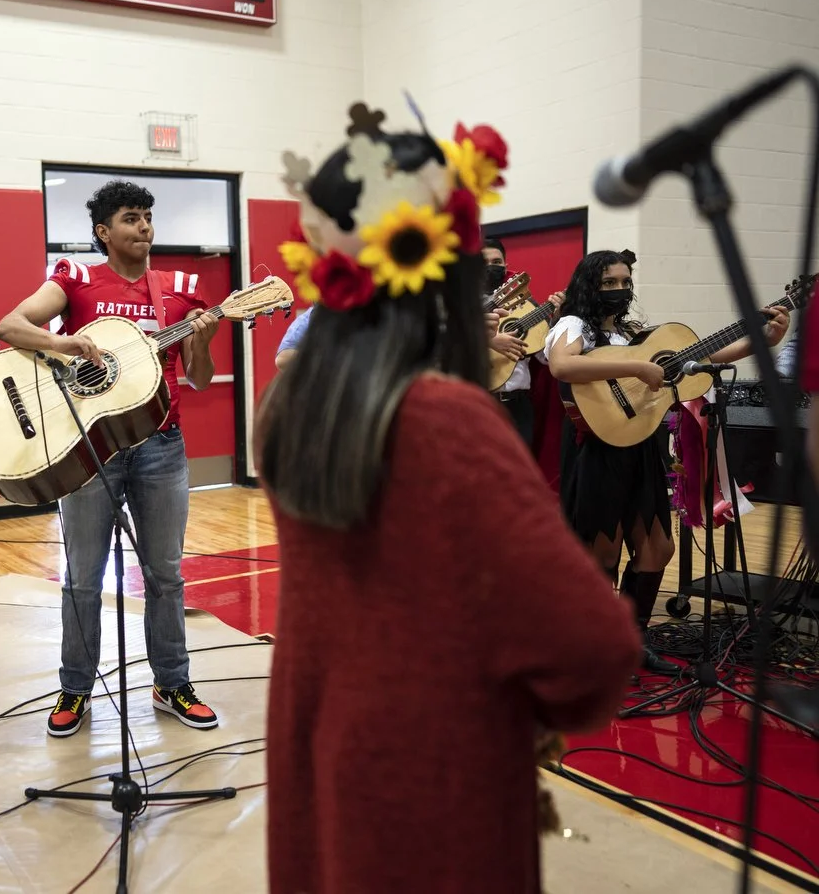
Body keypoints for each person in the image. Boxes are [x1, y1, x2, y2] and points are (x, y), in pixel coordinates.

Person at [260, 105, 640, 894]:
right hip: (431, 790)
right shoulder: (441, 419)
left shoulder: (292, 412)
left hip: (328, 761)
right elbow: (592, 652)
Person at [0, 179, 222, 737]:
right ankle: (75, 689)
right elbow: (9, 326)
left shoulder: (181, 287)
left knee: (165, 574)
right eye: (130, 217)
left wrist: (205, 338)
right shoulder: (74, 280)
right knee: (83, 579)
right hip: (90, 451)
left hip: (162, 446)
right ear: (103, 231)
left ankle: (172, 682)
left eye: (147, 216)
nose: (143, 225)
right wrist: (64, 344)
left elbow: (198, 377)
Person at [547, 249, 789, 674]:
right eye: (609, 283)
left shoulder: (633, 333)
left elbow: (707, 357)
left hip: (643, 445)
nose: (619, 290)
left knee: (658, 546)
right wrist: (640, 368)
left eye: (625, 282)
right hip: (598, 447)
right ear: (589, 286)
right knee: (602, 552)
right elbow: (563, 367)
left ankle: (633, 641)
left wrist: (764, 341)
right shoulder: (573, 325)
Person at [481, 237, 564, 447]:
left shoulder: (524, 304)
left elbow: (545, 359)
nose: (492, 267)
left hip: (518, 405)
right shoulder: (460, 305)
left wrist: (556, 320)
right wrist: (490, 340)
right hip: (479, 400)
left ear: (506, 265)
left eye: (497, 262)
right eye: (484, 262)